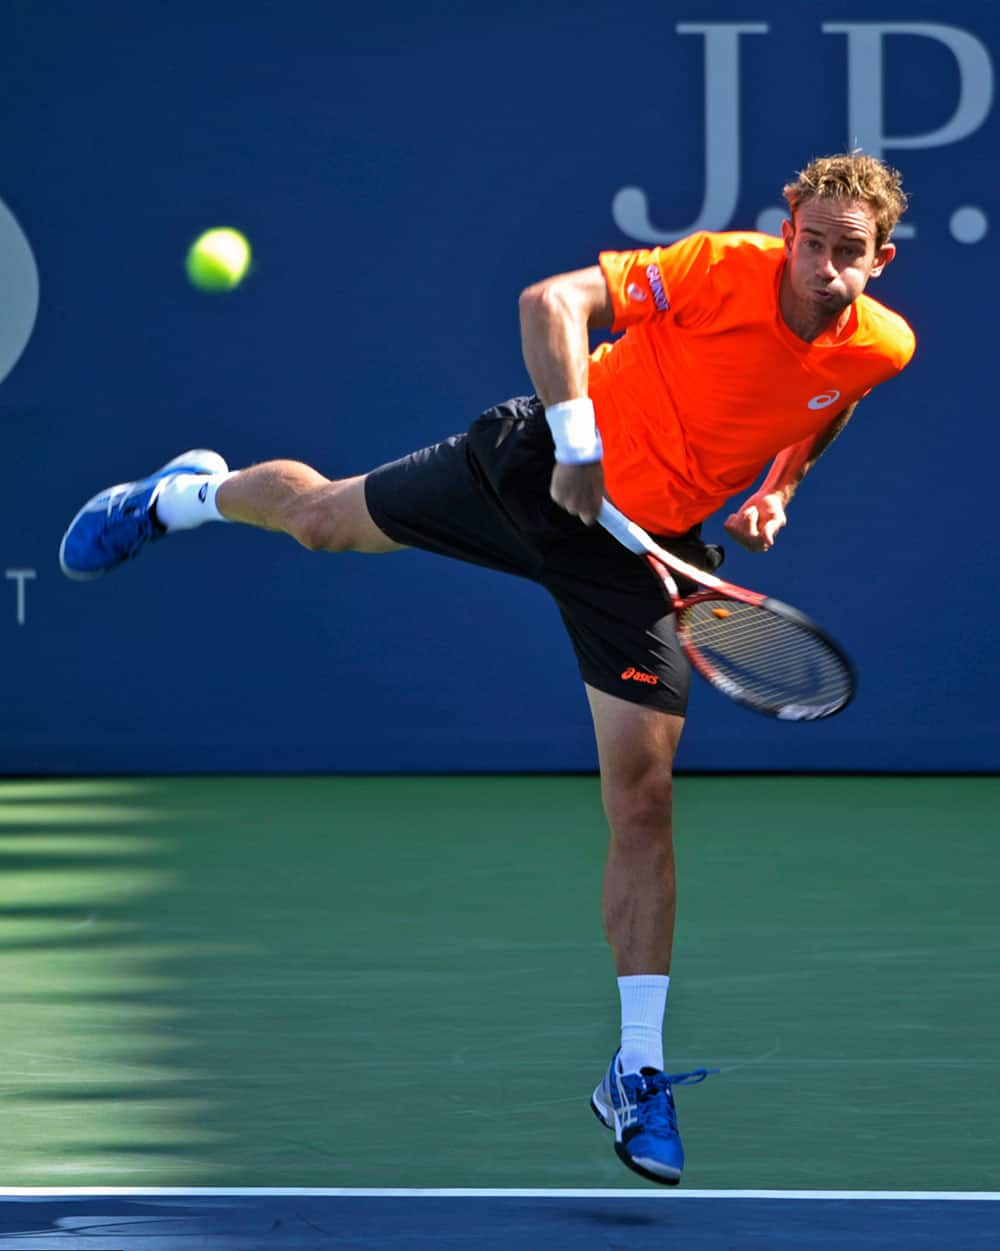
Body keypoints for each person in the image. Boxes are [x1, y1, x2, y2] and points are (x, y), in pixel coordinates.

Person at [60, 152, 915, 1186]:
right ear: (789, 225)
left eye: (847, 254)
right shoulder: (721, 267)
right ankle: (180, 496)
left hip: (640, 559)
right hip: (530, 474)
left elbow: (826, 400)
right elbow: (550, 300)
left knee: (641, 802)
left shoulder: (879, 347)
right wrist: (577, 440)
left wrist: (779, 486)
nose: (822, 267)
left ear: (881, 259)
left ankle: (634, 1070)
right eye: (811, 242)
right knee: (322, 522)